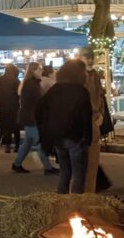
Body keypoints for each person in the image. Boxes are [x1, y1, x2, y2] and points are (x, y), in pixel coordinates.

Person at [36, 59, 93, 194]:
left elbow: (40, 110)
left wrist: (47, 132)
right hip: (75, 137)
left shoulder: (55, 90)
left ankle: (61, 202)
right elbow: (86, 116)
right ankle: (75, 206)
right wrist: (87, 137)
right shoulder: (80, 91)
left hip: (58, 137)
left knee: (65, 173)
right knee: (79, 175)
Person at [11, 62, 57, 175]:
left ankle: (16, 164)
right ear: (33, 71)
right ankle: (48, 168)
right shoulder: (31, 85)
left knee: (28, 142)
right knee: (41, 143)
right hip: (31, 118)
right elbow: (38, 102)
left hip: (28, 117)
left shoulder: (30, 84)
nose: (41, 71)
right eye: (39, 69)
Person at [82, 48, 113, 193]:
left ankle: (94, 184)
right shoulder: (80, 75)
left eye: (91, 57)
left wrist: (100, 114)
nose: (90, 60)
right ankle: (90, 187)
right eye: (87, 57)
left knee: (92, 154)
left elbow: (99, 95)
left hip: (95, 117)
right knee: (88, 155)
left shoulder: (94, 75)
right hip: (84, 118)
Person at [0, 64, 21, 153]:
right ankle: (17, 146)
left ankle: (7, 146)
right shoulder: (16, 81)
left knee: (6, 126)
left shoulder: (1, 80)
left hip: (4, 106)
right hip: (14, 107)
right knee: (16, 127)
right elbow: (20, 93)